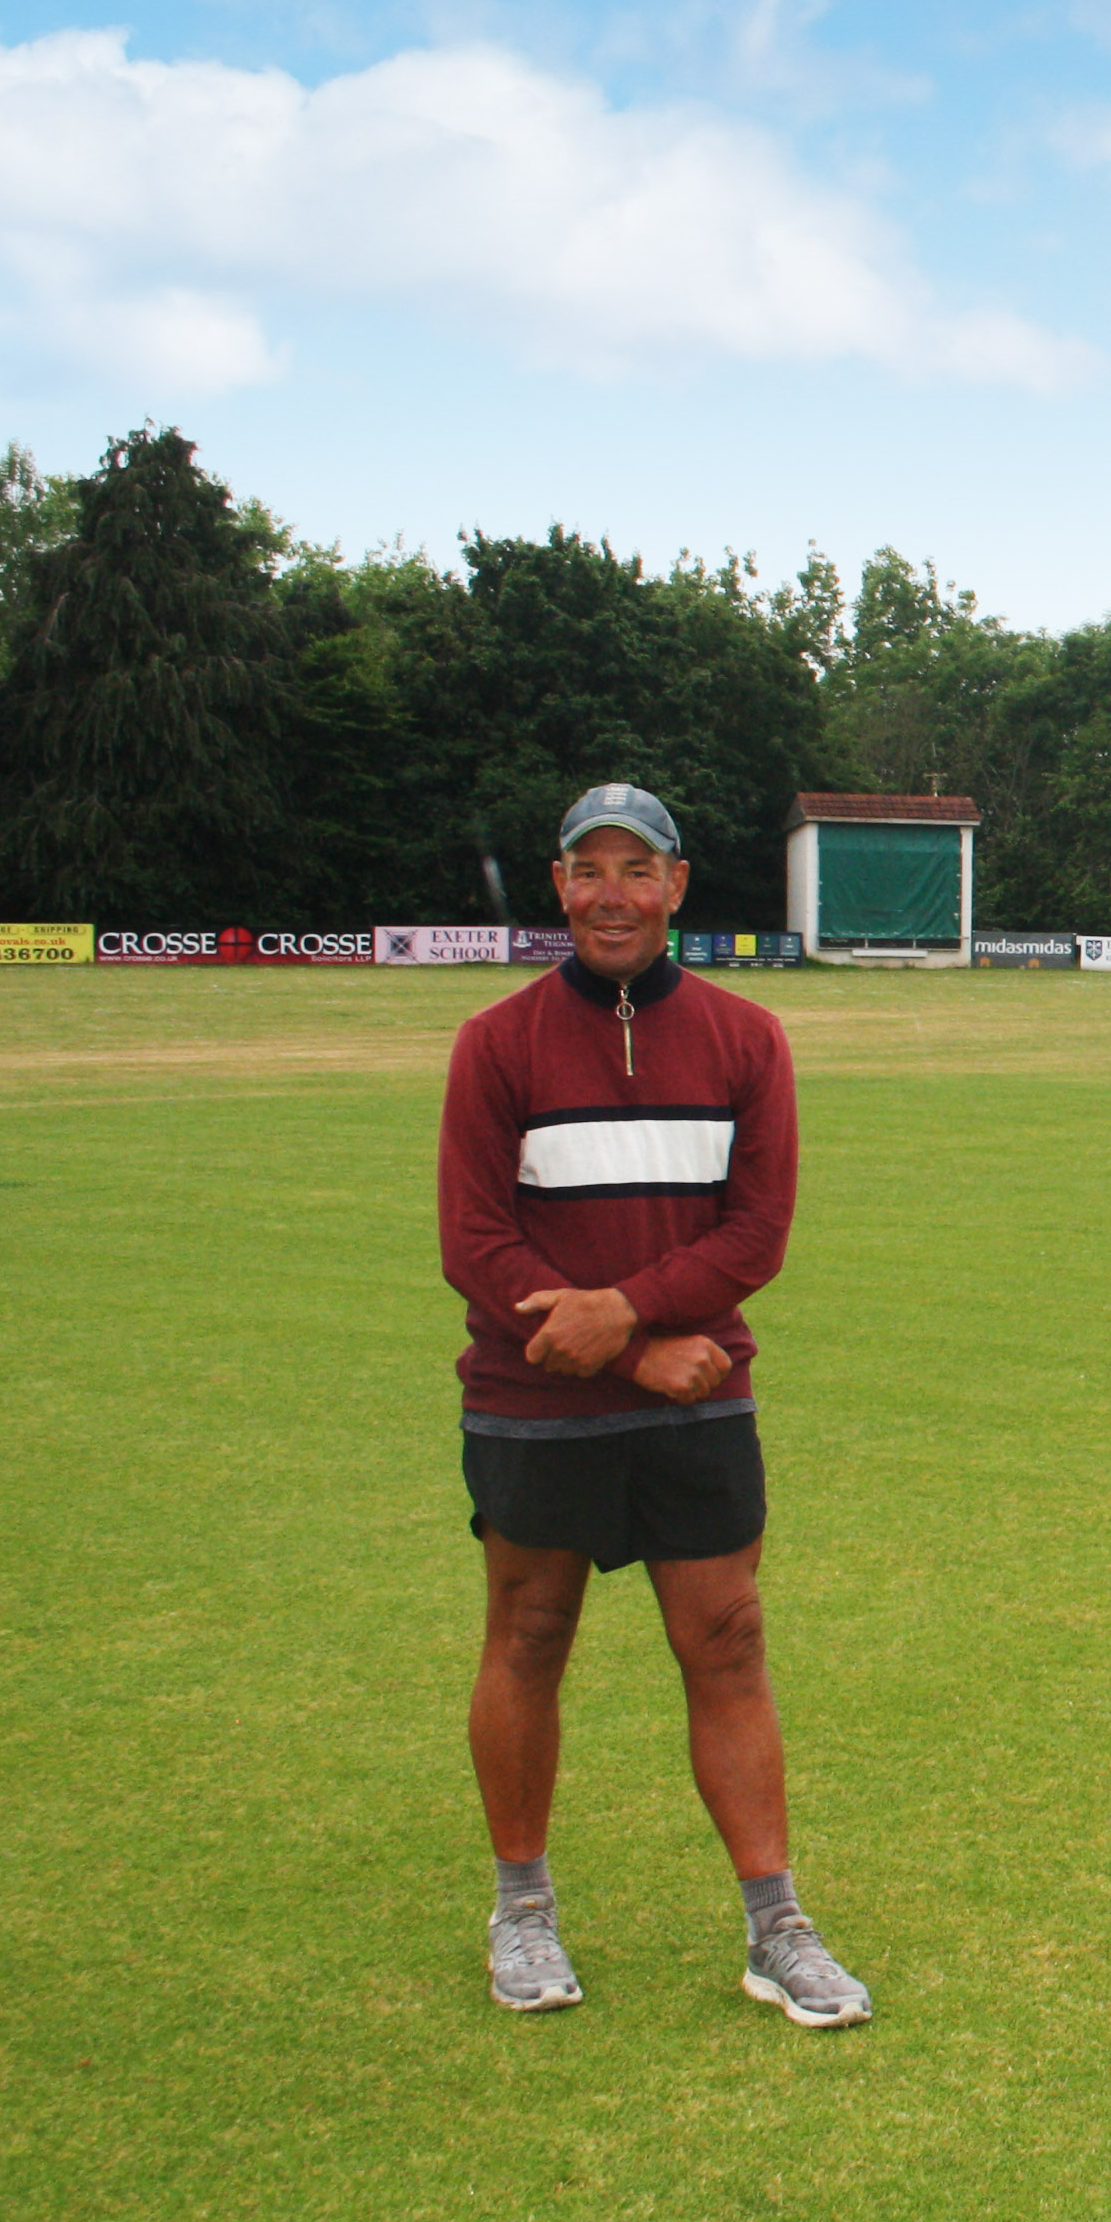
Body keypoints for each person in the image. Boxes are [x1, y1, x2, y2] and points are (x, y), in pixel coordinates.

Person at [438, 781, 871, 2029]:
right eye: (589, 871)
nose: (612, 895)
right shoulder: (497, 1042)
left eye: (639, 870)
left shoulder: (746, 1038)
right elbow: (475, 1240)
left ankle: (776, 1925)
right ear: (559, 884)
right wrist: (629, 1346)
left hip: (699, 1402)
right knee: (528, 1638)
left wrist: (626, 1315)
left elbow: (757, 1233)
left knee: (727, 1644)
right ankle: (522, 1912)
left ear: (678, 887)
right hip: (536, 1399)